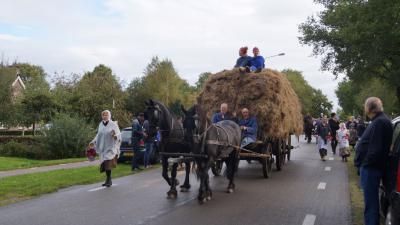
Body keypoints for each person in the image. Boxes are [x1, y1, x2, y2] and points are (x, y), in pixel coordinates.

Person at [355, 97, 393, 225]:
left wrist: (364, 165)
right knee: (371, 203)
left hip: (371, 168)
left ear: (369, 108)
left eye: (365, 106)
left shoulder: (379, 122)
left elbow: (375, 149)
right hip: (372, 167)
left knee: (371, 204)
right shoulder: (380, 120)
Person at [90, 110, 121, 187]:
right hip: (103, 147)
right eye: (103, 115)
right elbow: (99, 134)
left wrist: (115, 136)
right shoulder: (101, 124)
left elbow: (118, 134)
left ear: (109, 116)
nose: (105, 116)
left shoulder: (113, 124)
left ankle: (109, 180)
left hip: (111, 147)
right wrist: (93, 141)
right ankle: (107, 179)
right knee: (104, 163)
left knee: (107, 163)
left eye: (106, 115)